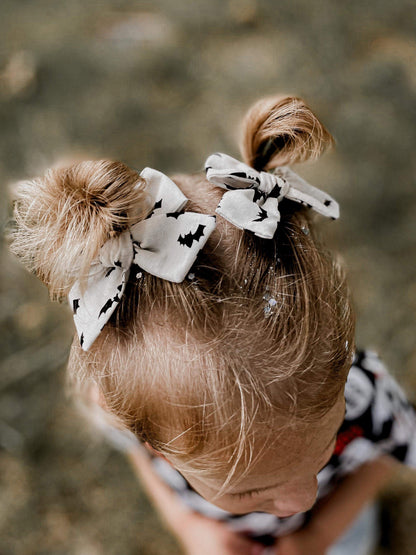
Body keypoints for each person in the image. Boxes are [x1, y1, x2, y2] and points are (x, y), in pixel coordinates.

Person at [10, 95, 416, 555]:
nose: (300, 500)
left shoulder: (360, 393)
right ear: (156, 441)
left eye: (325, 447)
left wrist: (322, 534)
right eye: (249, 491)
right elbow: (131, 452)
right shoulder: (127, 407)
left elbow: (391, 444)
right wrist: (185, 523)